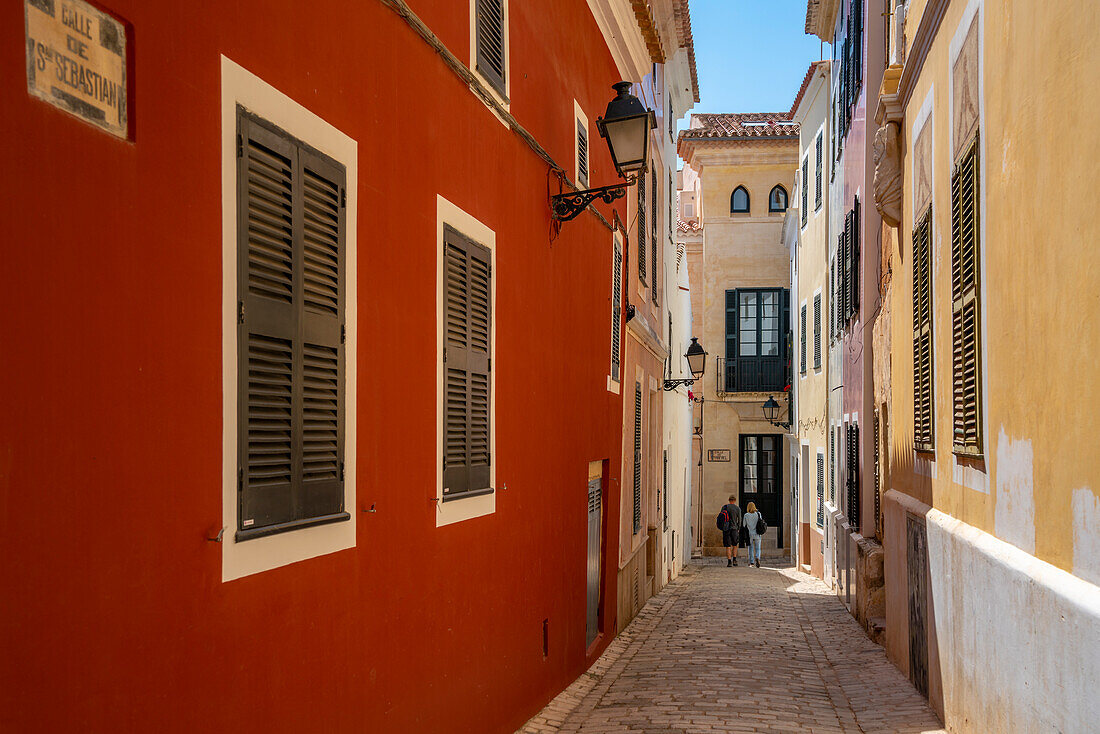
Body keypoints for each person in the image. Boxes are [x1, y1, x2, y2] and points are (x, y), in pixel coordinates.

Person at [719, 495, 742, 567]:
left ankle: (729, 561)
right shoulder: (737, 508)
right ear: (735, 500)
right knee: (735, 545)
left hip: (726, 529)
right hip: (734, 528)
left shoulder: (724, 507)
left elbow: (721, 518)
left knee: (728, 546)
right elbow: (740, 520)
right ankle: (734, 560)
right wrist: (738, 528)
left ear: (729, 500)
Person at [743, 502, 763, 568]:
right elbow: (761, 522)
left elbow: (744, 525)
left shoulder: (746, 515)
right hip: (757, 533)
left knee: (750, 548)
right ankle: (757, 557)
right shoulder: (758, 514)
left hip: (750, 534)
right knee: (758, 548)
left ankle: (751, 562)